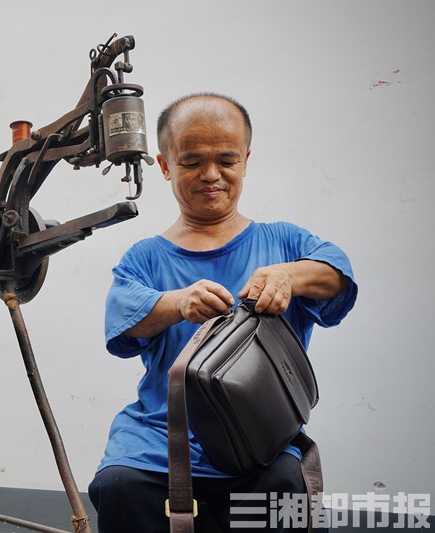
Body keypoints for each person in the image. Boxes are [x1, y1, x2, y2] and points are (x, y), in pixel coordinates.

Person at [88, 93, 357, 532]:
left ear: (245, 161)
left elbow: (337, 273)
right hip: (159, 438)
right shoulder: (144, 258)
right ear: (165, 166)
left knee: (285, 485)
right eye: (192, 161)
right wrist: (179, 302)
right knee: (118, 486)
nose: (211, 175)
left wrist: (288, 276)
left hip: (259, 439)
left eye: (226, 160)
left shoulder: (285, 241)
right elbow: (124, 321)